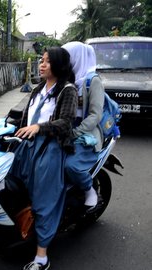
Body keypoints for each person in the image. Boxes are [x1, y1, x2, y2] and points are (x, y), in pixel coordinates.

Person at [8, 47, 77, 270]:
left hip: (50, 149)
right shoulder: (38, 88)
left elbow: (65, 122)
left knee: (43, 200)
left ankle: (42, 257)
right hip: (27, 147)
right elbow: (25, 117)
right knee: (12, 187)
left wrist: (39, 127)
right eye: (41, 60)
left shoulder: (67, 90)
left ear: (59, 65)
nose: (42, 64)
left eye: (47, 61)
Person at [62, 41, 105, 209]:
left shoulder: (92, 81)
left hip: (86, 134)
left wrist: (76, 132)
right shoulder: (67, 79)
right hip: (65, 128)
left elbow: (95, 115)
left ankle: (89, 190)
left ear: (76, 58)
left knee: (71, 166)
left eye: (67, 57)